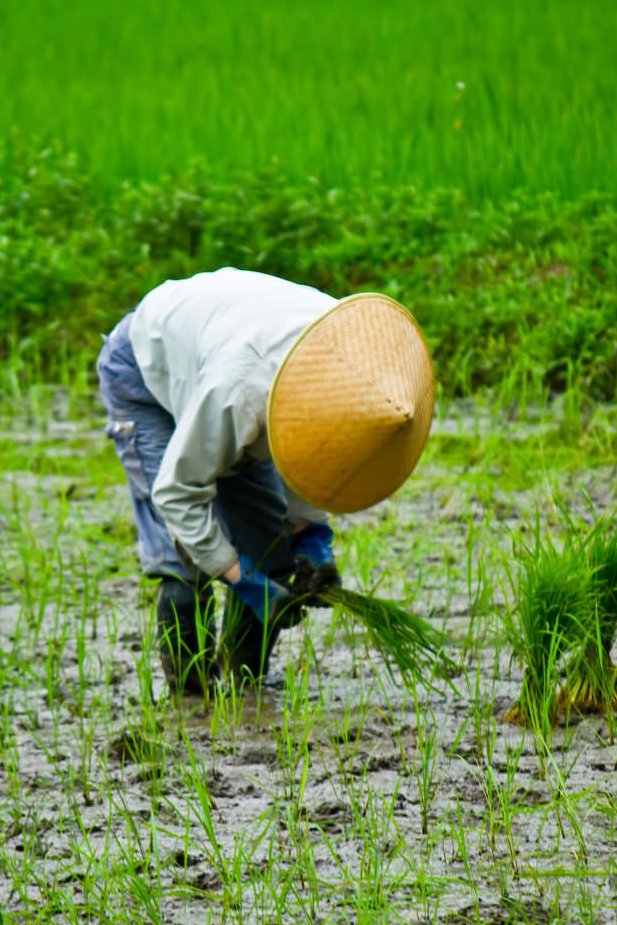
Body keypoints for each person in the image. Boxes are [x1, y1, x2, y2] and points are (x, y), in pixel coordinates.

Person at [96, 267, 435, 695]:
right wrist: (241, 578)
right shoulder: (238, 394)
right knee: (183, 562)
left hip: (228, 354)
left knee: (272, 552)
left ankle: (246, 689)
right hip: (148, 370)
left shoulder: (350, 362)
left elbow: (313, 449)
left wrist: (310, 534)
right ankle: (192, 699)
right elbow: (177, 493)